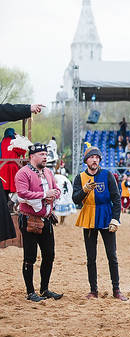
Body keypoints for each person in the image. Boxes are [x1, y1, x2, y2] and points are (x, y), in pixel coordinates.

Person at [72, 146, 128, 301]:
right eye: (91, 157)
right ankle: (93, 290)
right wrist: (84, 190)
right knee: (91, 257)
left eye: (97, 157)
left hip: (106, 216)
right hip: (89, 216)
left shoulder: (107, 175)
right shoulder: (80, 177)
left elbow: (116, 199)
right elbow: (75, 199)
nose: (95, 159)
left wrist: (115, 219)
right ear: (86, 161)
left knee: (112, 255)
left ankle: (116, 290)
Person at [14, 143, 63, 302]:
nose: (45, 156)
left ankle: (44, 289)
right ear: (32, 157)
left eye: (45, 154)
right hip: (29, 219)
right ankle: (30, 292)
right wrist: (44, 195)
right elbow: (22, 193)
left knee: (49, 255)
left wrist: (54, 195)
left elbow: (56, 189)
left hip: (47, 218)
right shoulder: (23, 173)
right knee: (30, 257)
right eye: (41, 154)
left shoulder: (48, 172)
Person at [0, 103, 44, 243]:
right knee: (15, 191)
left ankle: (9, 204)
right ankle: (12, 205)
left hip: (3, 169)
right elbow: (21, 152)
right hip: (12, 169)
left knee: (6, 191)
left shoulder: (3, 142)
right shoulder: (14, 141)